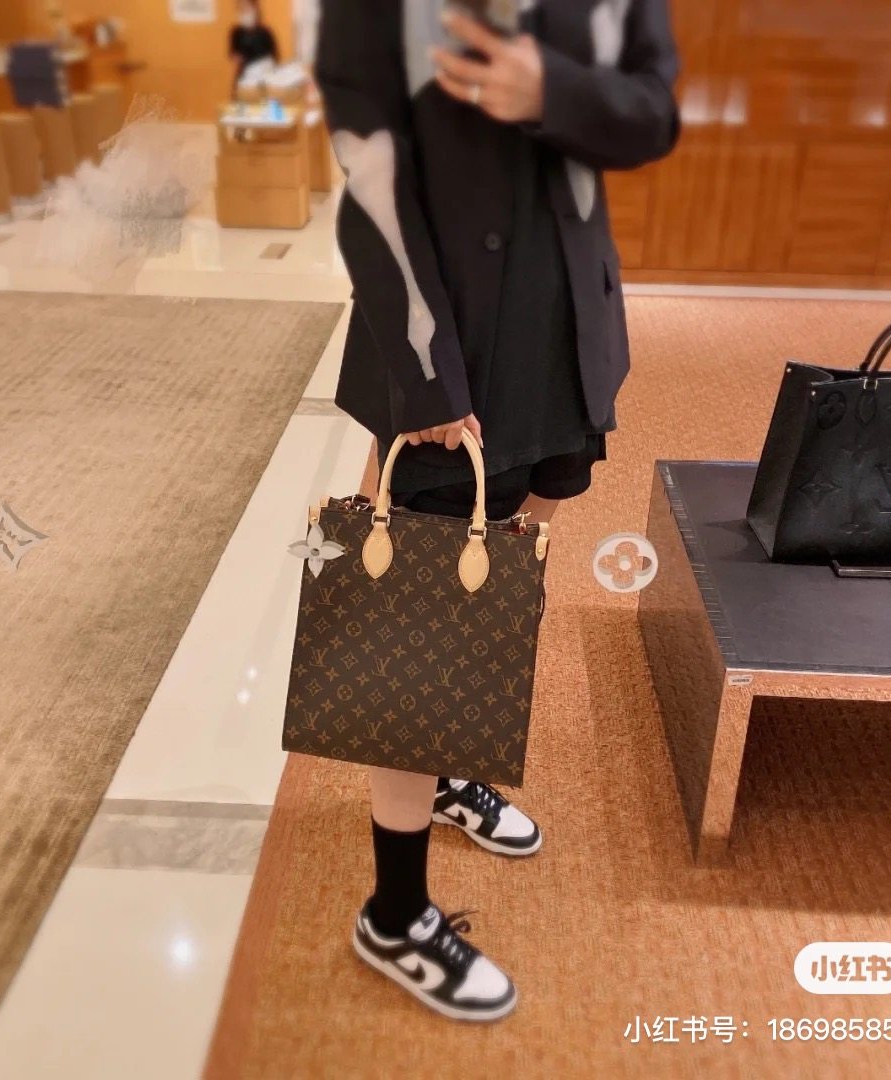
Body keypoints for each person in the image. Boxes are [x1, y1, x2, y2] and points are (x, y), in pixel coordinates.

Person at [316, 0, 679, 1021]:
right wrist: (427, 373)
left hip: (569, 337)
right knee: (423, 616)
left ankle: (443, 773)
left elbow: (651, 115)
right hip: (448, 352)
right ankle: (394, 913)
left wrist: (555, 92)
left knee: (508, 573)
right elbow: (368, 171)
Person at [228, 0, 278, 89]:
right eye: (241, 9)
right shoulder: (236, 32)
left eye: (247, 8)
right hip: (245, 77)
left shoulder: (265, 32)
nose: (244, 11)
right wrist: (237, 57)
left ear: (255, 9)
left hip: (265, 77)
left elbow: (274, 55)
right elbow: (233, 53)